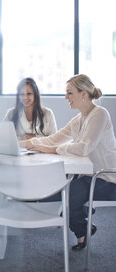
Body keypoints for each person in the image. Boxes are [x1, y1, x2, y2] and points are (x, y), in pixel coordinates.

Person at [20, 74, 116, 250]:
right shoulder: (78, 119)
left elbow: (83, 148)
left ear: (83, 94)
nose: (66, 97)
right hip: (88, 176)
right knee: (52, 195)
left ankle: (82, 228)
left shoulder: (100, 114)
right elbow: (52, 140)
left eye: (69, 93)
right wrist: (21, 145)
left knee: (65, 200)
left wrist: (53, 150)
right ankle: (83, 225)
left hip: (106, 179)